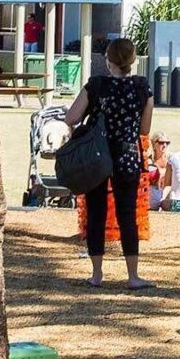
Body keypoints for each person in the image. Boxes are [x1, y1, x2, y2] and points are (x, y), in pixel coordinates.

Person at [68, 37, 153, 289]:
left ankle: (96, 274)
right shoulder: (142, 88)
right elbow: (145, 128)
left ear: (108, 60)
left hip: (97, 156)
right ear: (133, 61)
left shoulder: (96, 86)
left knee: (96, 212)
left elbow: (72, 116)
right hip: (127, 156)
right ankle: (133, 275)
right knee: (128, 214)